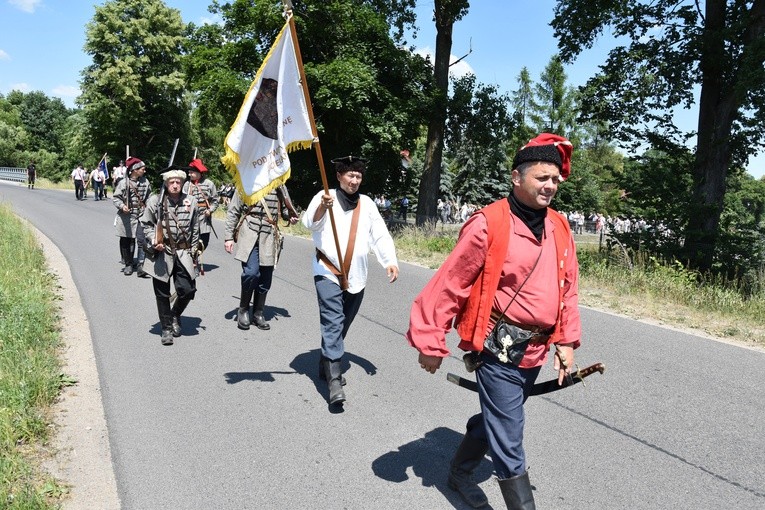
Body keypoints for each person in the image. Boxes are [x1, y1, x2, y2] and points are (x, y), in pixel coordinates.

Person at [405, 133, 581, 510]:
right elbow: (451, 282)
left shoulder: (561, 226)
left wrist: (566, 341)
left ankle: (459, 470)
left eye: (554, 179)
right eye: (541, 177)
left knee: (500, 417)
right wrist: (431, 341)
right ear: (516, 178)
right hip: (497, 346)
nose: (550, 185)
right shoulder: (488, 223)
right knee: (510, 434)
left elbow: (569, 288)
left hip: (535, 349)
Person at [302, 156, 399, 405]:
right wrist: (323, 207)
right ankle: (334, 382)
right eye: (350, 175)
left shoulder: (367, 204)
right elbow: (308, 223)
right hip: (327, 270)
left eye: (358, 176)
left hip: (357, 275)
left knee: (342, 324)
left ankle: (326, 362)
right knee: (333, 320)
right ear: (339, 176)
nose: (354, 180)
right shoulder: (324, 197)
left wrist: (390, 260)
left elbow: (379, 234)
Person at [224, 184, 299, 331]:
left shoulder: (279, 186)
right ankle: (243, 310)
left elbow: (285, 210)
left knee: (265, 277)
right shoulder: (246, 182)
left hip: (270, 234)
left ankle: (258, 313)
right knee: (251, 273)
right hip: (249, 231)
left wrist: (290, 216)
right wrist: (228, 237)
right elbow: (233, 211)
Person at [140, 169, 200, 346]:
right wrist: (153, 239)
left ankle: (175, 314)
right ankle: (166, 328)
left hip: (183, 252)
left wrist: (194, 251)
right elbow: (146, 223)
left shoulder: (191, 201)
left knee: (188, 290)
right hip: (162, 252)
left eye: (178, 182)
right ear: (166, 183)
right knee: (162, 292)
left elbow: (194, 227)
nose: (175, 185)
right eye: (172, 182)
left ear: (182, 183)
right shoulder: (155, 201)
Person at [112, 157, 152, 276]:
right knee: (127, 240)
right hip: (127, 216)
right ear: (135, 170)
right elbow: (116, 198)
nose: (144, 171)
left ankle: (140, 266)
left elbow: (149, 197)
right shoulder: (124, 183)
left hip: (141, 215)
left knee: (142, 240)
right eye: (142, 169)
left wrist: (150, 207)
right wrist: (122, 206)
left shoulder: (146, 182)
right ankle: (128, 264)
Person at [182, 158, 219, 251]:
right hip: (189, 216)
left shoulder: (209, 184)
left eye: (192, 172)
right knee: (189, 240)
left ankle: (196, 257)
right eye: (189, 172)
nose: (189, 174)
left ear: (199, 172)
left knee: (204, 242)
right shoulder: (187, 184)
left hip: (204, 218)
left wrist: (210, 210)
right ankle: (192, 260)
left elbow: (215, 200)